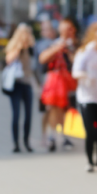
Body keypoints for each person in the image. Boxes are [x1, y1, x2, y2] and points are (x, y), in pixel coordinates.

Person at [73, 22, 97, 172]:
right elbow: (75, 72)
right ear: (94, 33)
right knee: (91, 131)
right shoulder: (85, 51)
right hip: (87, 96)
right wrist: (87, 76)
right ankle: (89, 161)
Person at [39, 17, 79, 152]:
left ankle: (63, 135)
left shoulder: (76, 45)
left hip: (70, 82)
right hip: (54, 83)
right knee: (52, 109)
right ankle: (53, 135)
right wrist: (59, 47)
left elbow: (77, 62)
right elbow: (43, 58)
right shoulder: (54, 44)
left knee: (67, 109)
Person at [4, 23, 36, 153]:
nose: (26, 36)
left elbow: (34, 68)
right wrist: (19, 47)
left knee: (28, 115)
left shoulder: (31, 48)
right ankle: (16, 143)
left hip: (27, 84)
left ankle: (26, 141)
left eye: (28, 33)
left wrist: (38, 85)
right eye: (23, 33)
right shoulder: (14, 46)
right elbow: (8, 60)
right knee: (16, 114)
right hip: (16, 84)